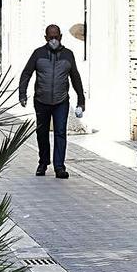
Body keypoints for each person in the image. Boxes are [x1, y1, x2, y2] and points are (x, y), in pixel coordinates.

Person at [19, 24, 86, 179]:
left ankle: (59, 166)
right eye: (51, 37)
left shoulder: (68, 54)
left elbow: (75, 77)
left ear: (61, 37)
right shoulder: (38, 54)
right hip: (41, 100)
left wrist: (81, 100)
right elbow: (26, 73)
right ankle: (43, 162)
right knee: (42, 132)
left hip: (61, 101)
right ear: (46, 38)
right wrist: (22, 93)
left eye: (56, 37)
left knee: (60, 133)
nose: (54, 40)